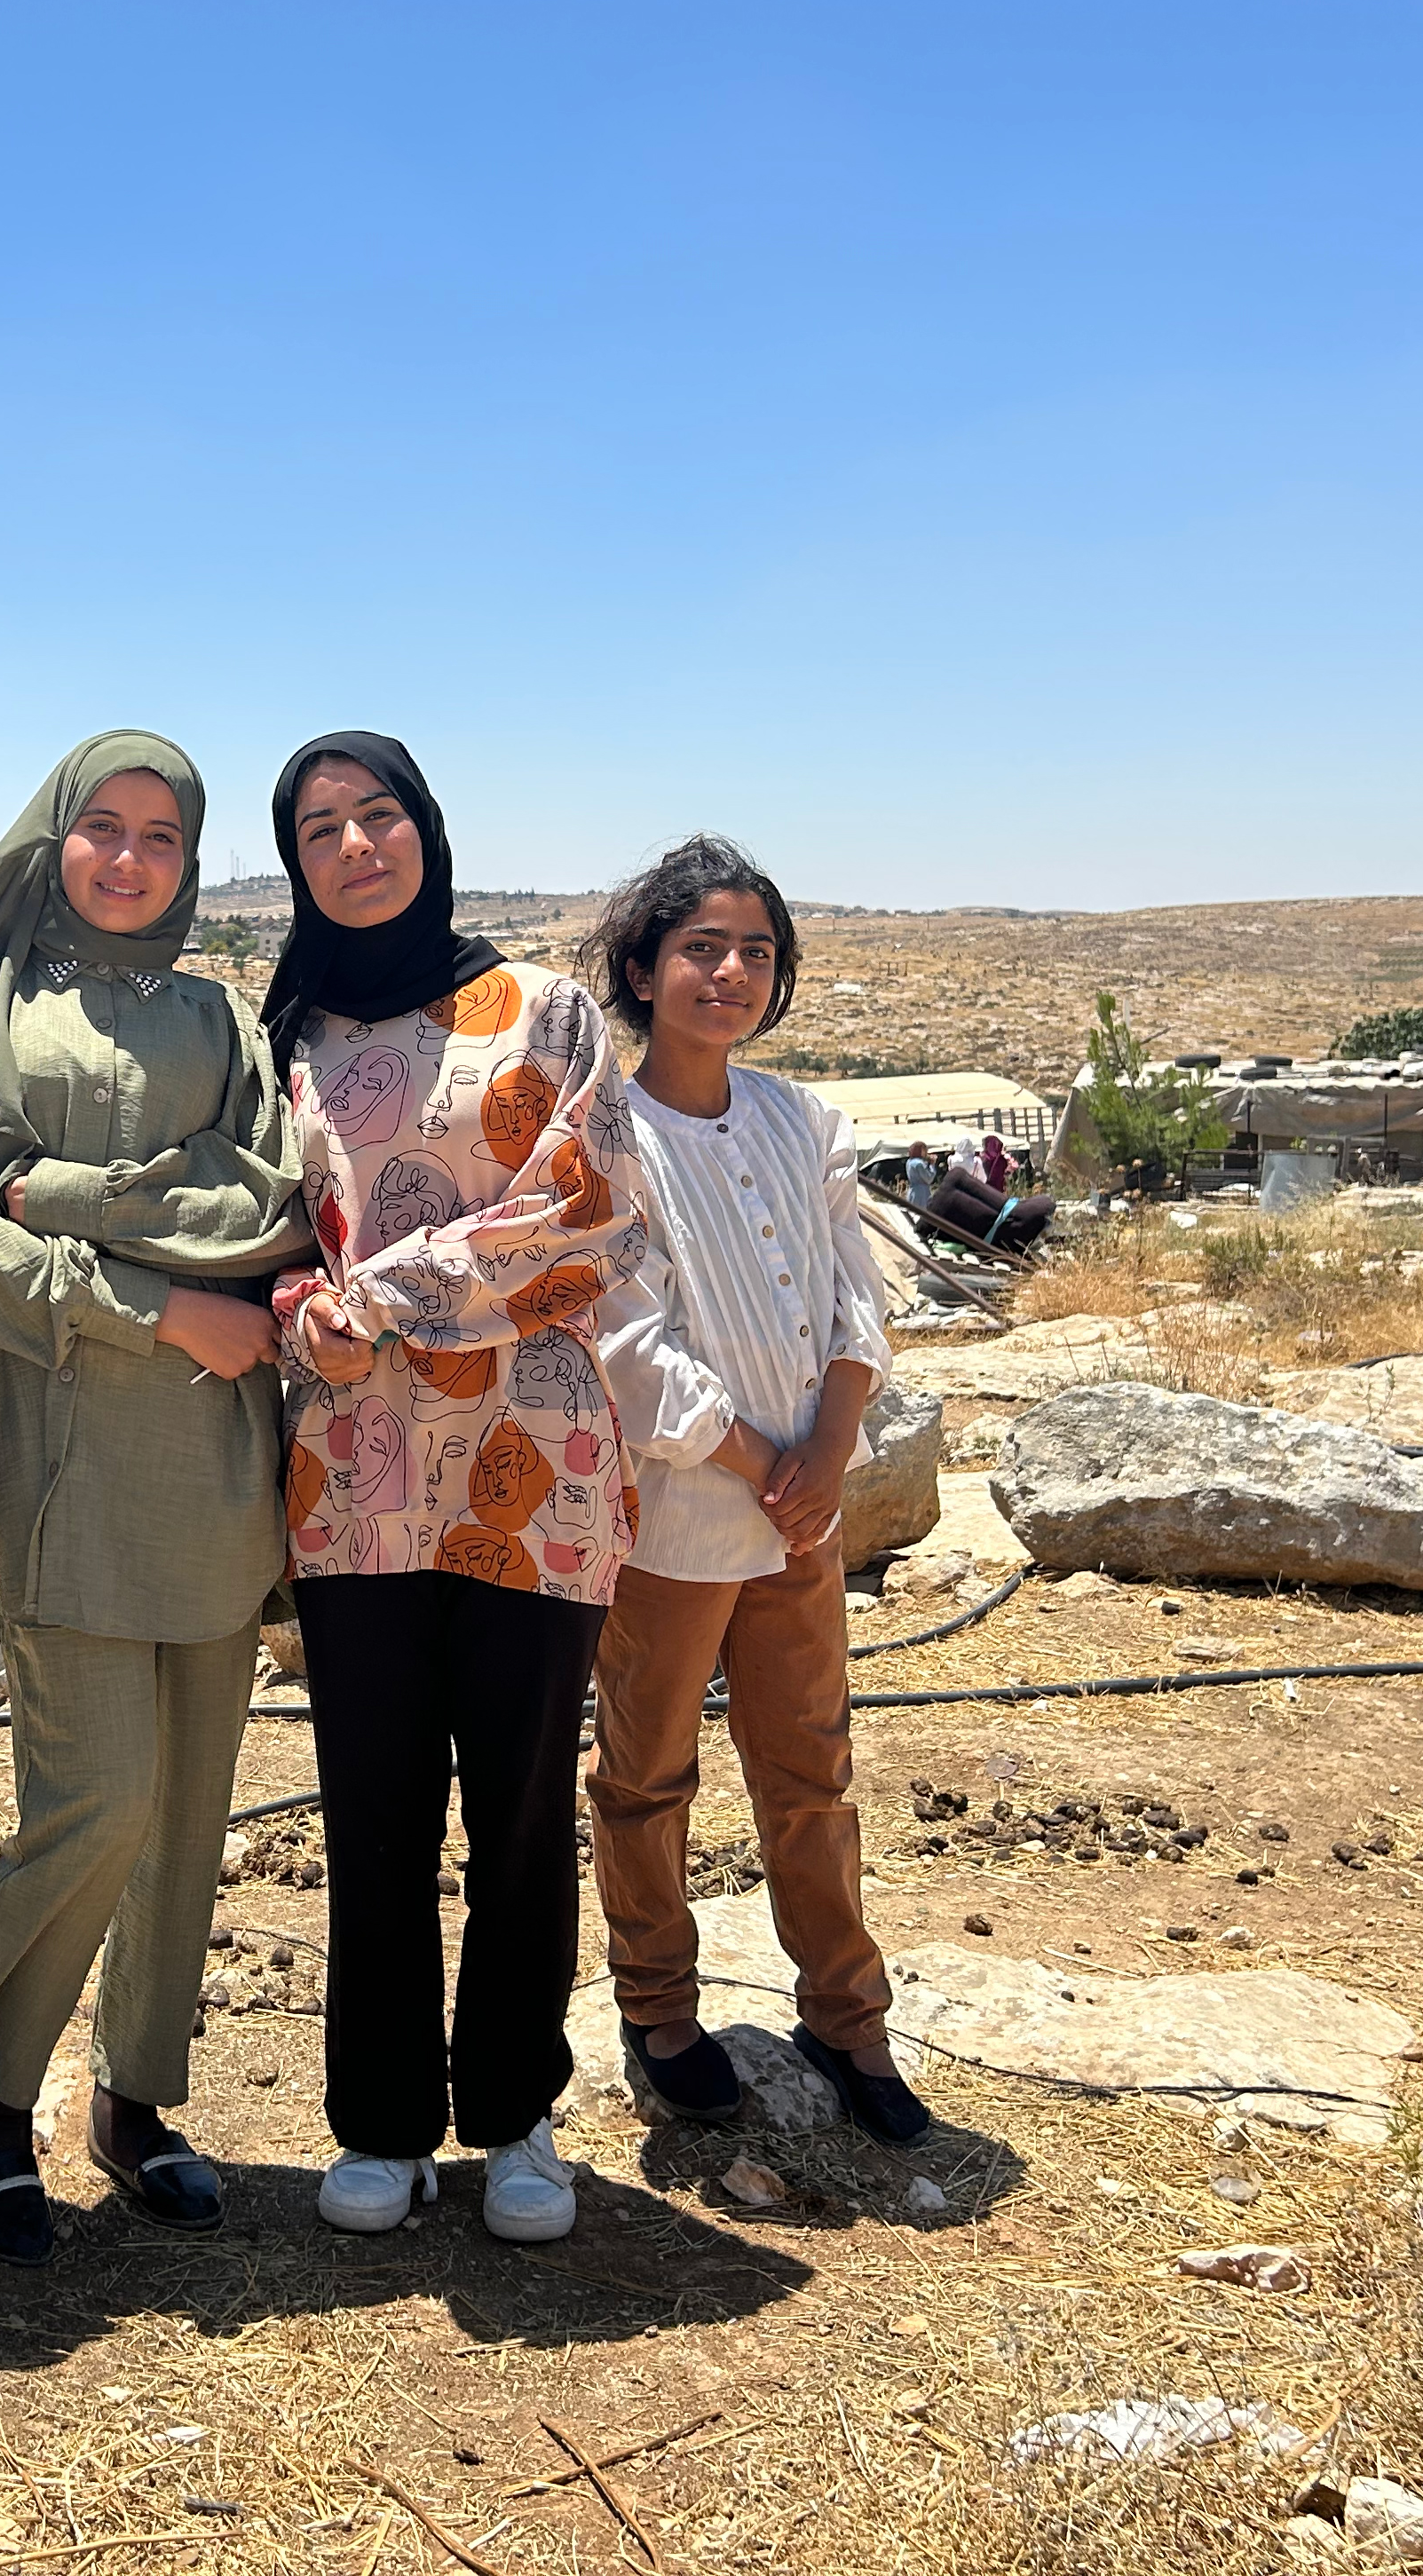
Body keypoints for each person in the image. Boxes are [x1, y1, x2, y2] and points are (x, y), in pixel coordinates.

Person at [0, 731, 311, 2264]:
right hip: (68, 1457)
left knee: (195, 1808)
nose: (132, 857)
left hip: (217, 1469)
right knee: (96, 1803)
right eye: (106, 828)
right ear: (57, 838)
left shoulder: (225, 1015)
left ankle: (138, 2100)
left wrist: (68, 1198)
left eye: (164, 834)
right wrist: (155, 1309)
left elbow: (267, 1206)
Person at [261, 731, 648, 2246]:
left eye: (379, 817)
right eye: (320, 829)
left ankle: (516, 2116)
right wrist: (305, 1307)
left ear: (425, 828)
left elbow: (586, 1214)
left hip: (532, 1469)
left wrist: (388, 1291)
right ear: (295, 864)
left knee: (520, 1803)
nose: (356, 847)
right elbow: (269, 1229)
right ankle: (378, 2121)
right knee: (370, 1807)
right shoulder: (284, 1031)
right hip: (353, 1478)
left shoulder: (539, 1010)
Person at [581, 836, 932, 2145]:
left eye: (755, 953)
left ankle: (847, 2019)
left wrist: (830, 1448)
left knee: (811, 1770)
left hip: (804, 1514)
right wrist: (757, 1460)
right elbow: (627, 1335)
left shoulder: (801, 1119)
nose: (730, 974)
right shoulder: (607, 1136)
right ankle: (658, 2008)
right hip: (682, 1518)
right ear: (643, 968)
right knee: (648, 1770)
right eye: (701, 950)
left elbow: (855, 1290)